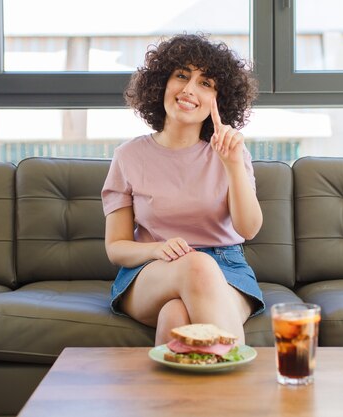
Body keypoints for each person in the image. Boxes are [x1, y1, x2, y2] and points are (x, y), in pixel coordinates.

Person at [101, 33, 264, 346]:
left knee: (175, 316)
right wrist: (155, 249)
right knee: (196, 265)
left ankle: (169, 396)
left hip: (227, 267)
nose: (189, 89)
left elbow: (249, 228)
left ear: (221, 99)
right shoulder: (128, 156)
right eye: (182, 76)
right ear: (162, 83)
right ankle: (241, 389)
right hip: (152, 271)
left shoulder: (231, 152)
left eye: (206, 83)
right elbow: (116, 247)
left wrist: (231, 165)